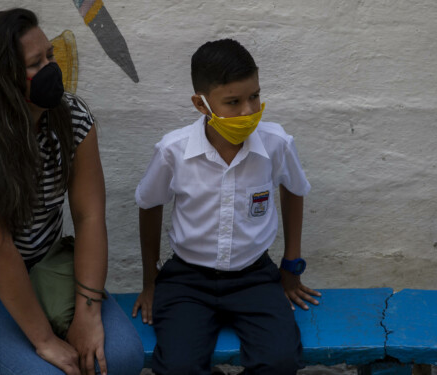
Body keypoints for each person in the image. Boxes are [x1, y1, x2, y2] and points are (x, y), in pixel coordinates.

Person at [0, 8, 143, 375]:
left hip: (45, 269)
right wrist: (45, 340)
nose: (52, 68)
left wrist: (87, 313)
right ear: (3, 79)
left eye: (50, 55)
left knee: (121, 359)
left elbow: (89, 216)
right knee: (47, 372)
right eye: (37, 63)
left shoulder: (73, 119)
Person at [132, 38, 321, 375]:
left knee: (282, 361)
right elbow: (149, 205)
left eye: (254, 96)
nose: (248, 111)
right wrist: (151, 280)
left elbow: (294, 191)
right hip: (186, 280)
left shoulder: (277, 143)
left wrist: (291, 267)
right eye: (233, 102)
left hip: (255, 277)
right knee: (177, 368)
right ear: (201, 104)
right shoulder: (172, 151)